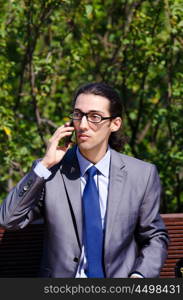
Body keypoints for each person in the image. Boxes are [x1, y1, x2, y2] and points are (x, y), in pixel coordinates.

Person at [0, 82, 168, 278]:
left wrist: (139, 276)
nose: (83, 124)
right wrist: (45, 164)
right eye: (78, 115)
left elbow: (155, 237)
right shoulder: (51, 172)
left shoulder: (141, 175)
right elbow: (9, 219)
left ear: (115, 124)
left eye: (94, 117)